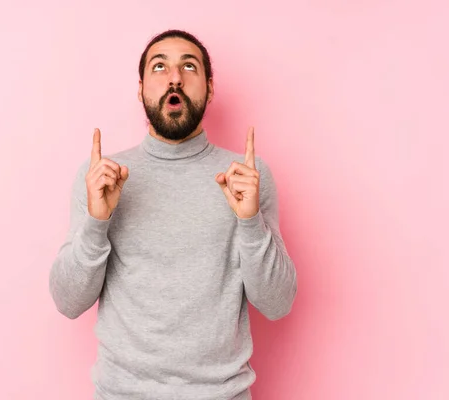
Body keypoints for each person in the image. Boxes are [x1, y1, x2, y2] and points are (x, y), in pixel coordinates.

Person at [49, 29, 297, 400]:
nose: (175, 77)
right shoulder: (102, 176)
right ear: (141, 89)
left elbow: (277, 304)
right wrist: (96, 222)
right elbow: (68, 301)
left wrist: (250, 221)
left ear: (209, 88)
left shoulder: (245, 176)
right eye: (160, 66)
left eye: (189, 66)